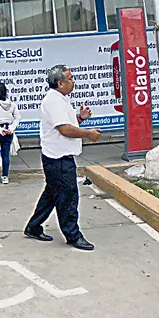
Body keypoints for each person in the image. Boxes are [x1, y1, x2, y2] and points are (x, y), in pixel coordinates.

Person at [24, 64, 101, 251]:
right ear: (60, 82)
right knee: (68, 197)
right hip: (58, 159)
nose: (73, 81)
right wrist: (88, 133)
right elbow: (64, 129)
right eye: (70, 78)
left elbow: (66, 122)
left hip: (58, 157)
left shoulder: (61, 99)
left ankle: (33, 227)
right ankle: (73, 235)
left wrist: (80, 119)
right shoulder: (53, 101)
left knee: (51, 195)